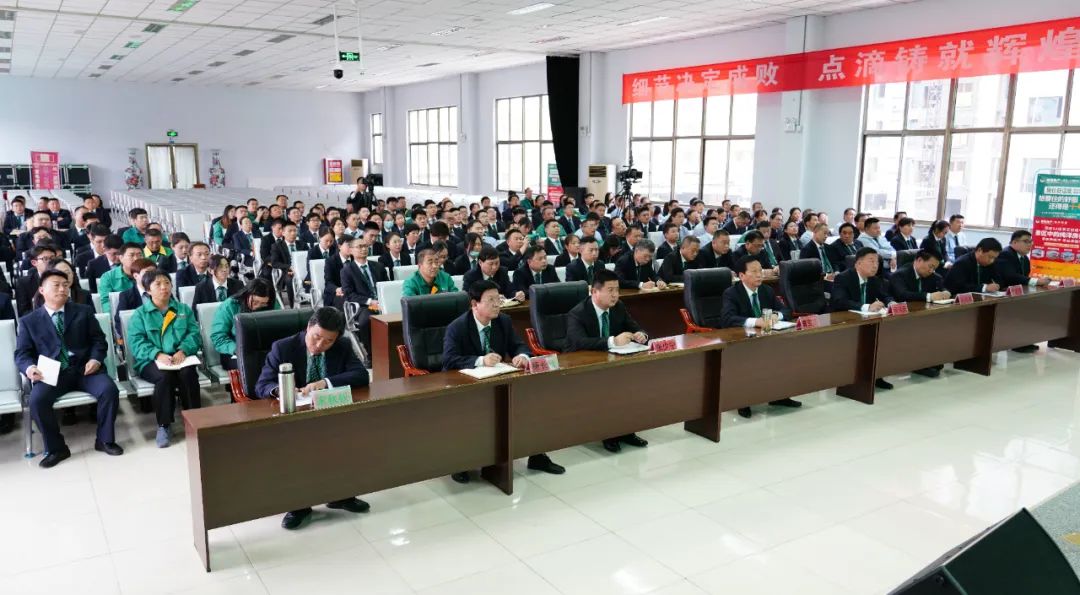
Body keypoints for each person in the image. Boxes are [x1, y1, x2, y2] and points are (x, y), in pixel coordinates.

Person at [256, 307, 371, 530]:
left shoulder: (342, 345)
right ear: (308, 327)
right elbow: (262, 385)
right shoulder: (283, 347)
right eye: (316, 337)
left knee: (349, 434)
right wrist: (283, 390)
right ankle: (299, 505)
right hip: (294, 417)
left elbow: (361, 375)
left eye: (328, 341)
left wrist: (325, 383)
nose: (319, 345)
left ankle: (341, 495)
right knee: (298, 446)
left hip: (328, 412)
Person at [441, 280, 564, 481]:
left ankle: (537, 456)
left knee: (532, 401)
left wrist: (521, 356)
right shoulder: (458, 327)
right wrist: (480, 360)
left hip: (496, 382)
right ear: (475, 304)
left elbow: (518, 345)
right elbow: (448, 360)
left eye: (498, 299)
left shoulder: (503, 321)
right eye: (491, 300)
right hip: (466, 385)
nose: (497, 304)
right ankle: (461, 463)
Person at [14, 269, 123, 468]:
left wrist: (96, 359)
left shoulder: (83, 311)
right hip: (52, 373)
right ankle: (57, 448)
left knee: (109, 390)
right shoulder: (29, 321)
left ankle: (104, 440)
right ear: (42, 290)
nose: (62, 289)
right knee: (37, 400)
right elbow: (22, 353)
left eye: (65, 285)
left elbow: (99, 341)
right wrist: (30, 368)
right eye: (56, 285)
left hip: (85, 369)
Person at [565, 269, 650, 453]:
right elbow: (579, 342)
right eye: (610, 290)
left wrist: (641, 335)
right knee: (609, 385)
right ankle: (609, 433)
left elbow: (634, 326)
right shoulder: (578, 313)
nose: (615, 295)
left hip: (612, 361)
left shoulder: (618, 307)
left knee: (632, 382)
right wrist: (613, 341)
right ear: (594, 292)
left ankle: (626, 431)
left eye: (617, 290)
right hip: (584, 365)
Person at [127, 271, 202, 447]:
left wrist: (183, 350)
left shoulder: (183, 309)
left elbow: (194, 334)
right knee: (164, 378)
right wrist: (157, 354)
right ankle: (164, 425)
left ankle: (194, 420)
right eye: (158, 284)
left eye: (167, 283)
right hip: (151, 360)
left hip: (180, 358)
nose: (164, 287)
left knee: (188, 374)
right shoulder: (140, 314)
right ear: (148, 290)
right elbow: (136, 342)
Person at [720, 256, 799, 417]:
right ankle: (743, 402)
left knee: (785, 351)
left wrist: (777, 316)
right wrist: (756, 321)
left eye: (760, 270)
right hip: (742, 340)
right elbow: (727, 319)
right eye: (754, 271)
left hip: (766, 337)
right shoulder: (731, 293)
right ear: (742, 276)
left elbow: (786, 310)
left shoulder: (766, 290)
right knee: (749, 359)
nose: (759, 274)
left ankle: (778, 396)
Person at [831, 248, 895, 389]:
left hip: (867, 322)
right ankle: (852, 378)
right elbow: (839, 301)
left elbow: (885, 296)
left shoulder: (874, 280)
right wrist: (866, 307)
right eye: (871, 261)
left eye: (877, 262)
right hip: (844, 322)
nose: (875, 265)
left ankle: (876, 376)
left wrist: (891, 303)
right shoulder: (843, 278)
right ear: (858, 263)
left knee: (882, 337)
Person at [889, 250, 950, 378]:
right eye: (930, 266)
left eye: (934, 268)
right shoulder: (900, 275)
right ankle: (918, 362)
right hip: (903, 317)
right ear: (919, 260)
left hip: (924, 315)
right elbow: (902, 295)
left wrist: (945, 292)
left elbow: (942, 286)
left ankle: (929, 360)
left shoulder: (933, 276)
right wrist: (929, 296)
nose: (932, 271)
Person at [995, 230, 1051, 354]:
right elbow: (1010, 277)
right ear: (1014, 242)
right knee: (1023, 308)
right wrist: (1036, 281)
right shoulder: (1006, 254)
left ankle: (1024, 341)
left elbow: (1023, 277)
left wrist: (1036, 282)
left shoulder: (1024, 258)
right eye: (1026, 241)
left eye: (1031, 242)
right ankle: (1017, 342)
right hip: (1002, 292)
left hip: (1016, 293)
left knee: (1033, 305)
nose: (1030, 244)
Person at [211, 278, 277, 371]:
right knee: (252, 367)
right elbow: (218, 337)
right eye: (255, 302)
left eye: (263, 304)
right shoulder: (230, 306)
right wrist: (236, 349)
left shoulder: (272, 305)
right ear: (247, 294)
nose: (257, 306)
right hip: (234, 351)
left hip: (264, 349)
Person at [340, 237, 388, 360]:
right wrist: (370, 301)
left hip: (383, 302)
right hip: (363, 306)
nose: (363, 249)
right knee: (366, 321)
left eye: (365, 246)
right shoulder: (347, 270)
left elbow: (387, 285)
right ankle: (371, 355)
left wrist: (384, 300)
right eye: (359, 247)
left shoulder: (378, 266)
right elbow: (349, 294)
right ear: (351, 250)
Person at [16, 244, 59, 316]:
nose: (50, 262)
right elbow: (24, 313)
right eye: (45, 259)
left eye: (52, 258)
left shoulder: (65, 277)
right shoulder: (24, 283)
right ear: (34, 262)